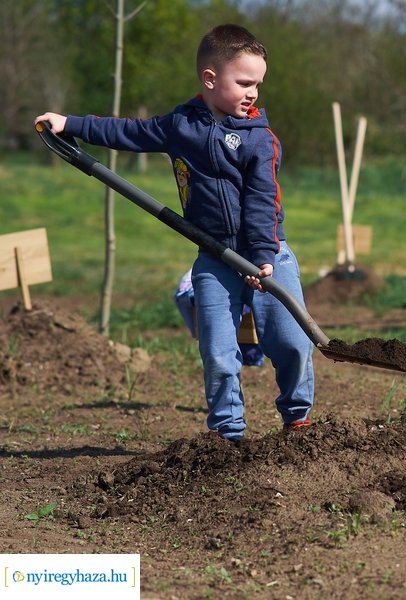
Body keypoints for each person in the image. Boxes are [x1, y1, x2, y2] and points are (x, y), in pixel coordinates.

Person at [35, 24, 315, 440]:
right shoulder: (180, 125)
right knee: (219, 353)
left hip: (269, 254)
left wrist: (263, 258)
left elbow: (261, 203)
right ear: (210, 79)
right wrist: (69, 123)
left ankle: (298, 420)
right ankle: (228, 434)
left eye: (258, 83)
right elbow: (128, 132)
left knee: (291, 343)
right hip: (214, 256)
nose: (254, 92)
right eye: (244, 83)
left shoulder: (261, 141)